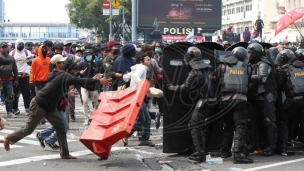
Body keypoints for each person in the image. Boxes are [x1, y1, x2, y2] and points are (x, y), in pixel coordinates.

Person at [3, 54, 111, 159]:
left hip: (50, 106)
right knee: (28, 129)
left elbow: (62, 86)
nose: (64, 63)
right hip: (39, 104)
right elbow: (78, 80)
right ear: (57, 64)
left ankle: (64, 153)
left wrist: (68, 93)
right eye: (62, 62)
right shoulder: (62, 75)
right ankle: (9, 138)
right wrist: (99, 81)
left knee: (61, 127)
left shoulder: (56, 74)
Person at [166, 47, 211, 162]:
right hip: (212, 99)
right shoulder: (207, 68)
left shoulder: (194, 71)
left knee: (194, 124)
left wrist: (171, 87)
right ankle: (196, 148)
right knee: (198, 124)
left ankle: (200, 152)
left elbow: (185, 87)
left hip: (205, 100)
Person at [216, 47, 253, 163]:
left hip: (225, 100)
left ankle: (225, 151)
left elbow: (216, 79)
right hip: (240, 101)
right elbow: (249, 81)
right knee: (240, 127)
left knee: (228, 125)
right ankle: (238, 154)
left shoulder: (222, 66)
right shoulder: (247, 67)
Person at [36, 58, 78, 149]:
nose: (75, 72)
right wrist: (68, 93)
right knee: (64, 126)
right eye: (74, 70)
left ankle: (42, 135)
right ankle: (49, 140)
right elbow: (57, 93)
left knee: (58, 124)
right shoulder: (60, 77)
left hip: (61, 104)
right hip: (56, 105)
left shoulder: (65, 76)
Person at [247, 43, 277, 156]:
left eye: (250, 53)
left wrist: (246, 77)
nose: (248, 55)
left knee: (269, 121)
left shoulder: (263, 63)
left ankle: (271, 146)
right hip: (255, 96)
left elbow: (262, 78)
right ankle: (254, 144)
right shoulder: (251, 63)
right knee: (251, 120)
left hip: (266, 95)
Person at [122, 53, 155, 147]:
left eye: (149, 59)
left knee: (147, 119)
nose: (149, 61)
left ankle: (144, 139)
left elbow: (126, 77)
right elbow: (135, 77)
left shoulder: (138, 67)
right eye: (147, 60)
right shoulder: (142, 68)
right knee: (142, 119)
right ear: (141, 61)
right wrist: (142, 85)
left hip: (138, 96)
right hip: (136, 97)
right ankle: (126, 134)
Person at [10, 38, 31, 115]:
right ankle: (14, 108)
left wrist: (26, 72)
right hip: (15, 77)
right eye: (19, 44)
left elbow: (31, 64)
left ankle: (28, 108)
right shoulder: (12, 53)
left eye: (22, 44)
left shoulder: (27, 52)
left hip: (25, 76)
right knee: (14, 93)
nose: (21, 46)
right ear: (16, 45)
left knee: (26, 92)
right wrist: (15, 75)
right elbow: (10, 66)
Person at [0, 42, 19, 118]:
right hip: (0, 80)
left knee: (10, 96)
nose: (5, 49)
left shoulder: (11, 58)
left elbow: (15, 69)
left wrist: (16, 79)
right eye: (3, 47)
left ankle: (9, 111)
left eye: (6, 47)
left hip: (9, 79)